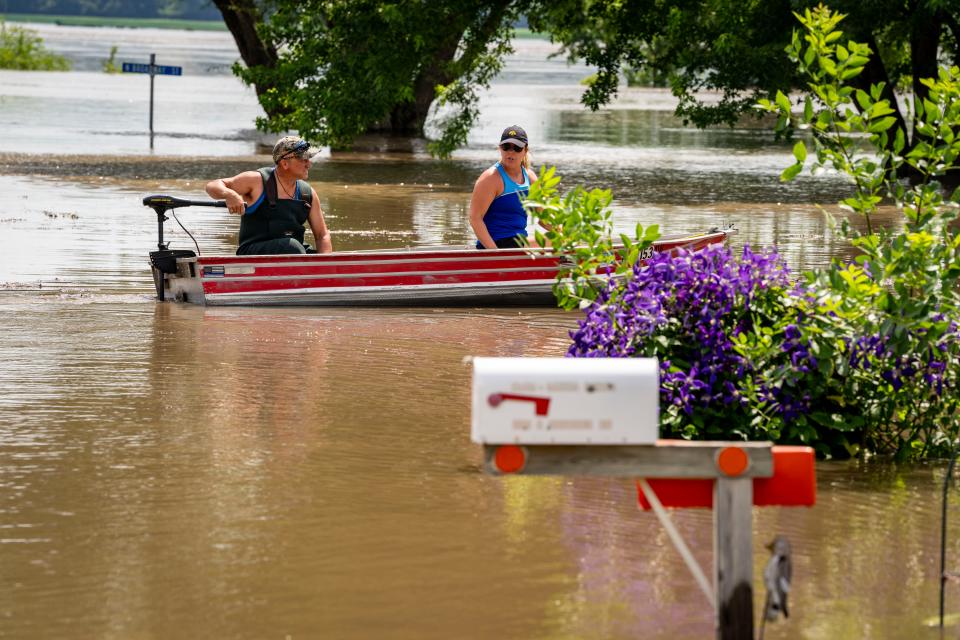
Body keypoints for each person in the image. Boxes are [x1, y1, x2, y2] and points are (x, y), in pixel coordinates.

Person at [205, 135, 333, 255]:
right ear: (284, 163)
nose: (309, 164)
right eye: (303, 159)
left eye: (309, 159)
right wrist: (229, 194)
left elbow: (322, 235)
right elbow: (212, 185)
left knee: (308, 253)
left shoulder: (308, 193)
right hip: (252, 253)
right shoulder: (256, 181)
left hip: (294, 252)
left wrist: (326, 265)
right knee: (292, 247)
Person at [468, 125, 540, 249]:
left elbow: (544, 219)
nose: (510, 152)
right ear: (500, 148)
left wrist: (565, 231)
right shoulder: (490, 178)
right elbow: (475, 218)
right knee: (555, 242)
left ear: (525, 150)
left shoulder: (531, 178)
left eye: (517, 148)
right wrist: (495, 254)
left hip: (518, 243)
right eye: (506, 147)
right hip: (496, 245)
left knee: (561, 239)